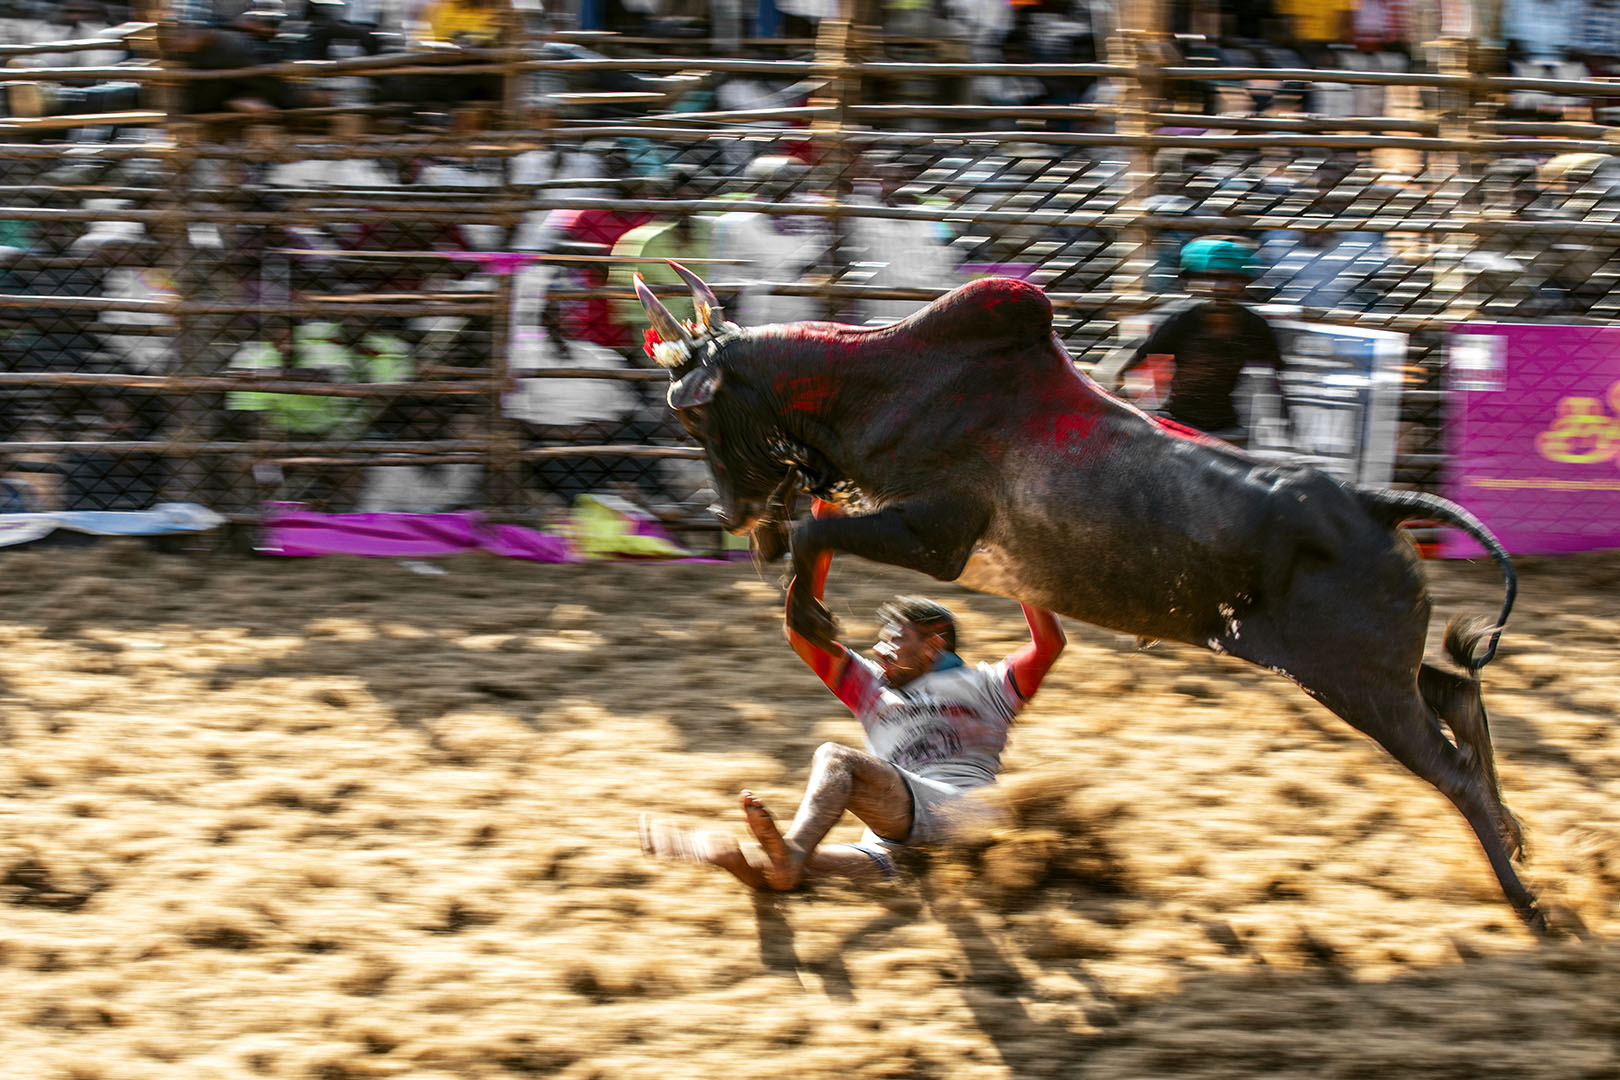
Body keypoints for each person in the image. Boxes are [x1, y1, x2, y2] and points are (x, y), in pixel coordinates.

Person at [642, 499, 1067, 890]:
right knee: (774, 865)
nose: (878, 650)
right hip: (896, 854)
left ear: (934, 645)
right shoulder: (870, 686)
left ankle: (790, 851)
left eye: (893, 641)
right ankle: (737, 856)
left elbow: (1049, 645)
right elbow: (800, 630)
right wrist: (822, 532)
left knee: (835, 758)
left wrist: (1017, 564)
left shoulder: (988, 685)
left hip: (962, 819)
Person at [1094, 235, 1291, 448]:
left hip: (1228, 430)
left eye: (1230, 278)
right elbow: (1114, 371)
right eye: (1209, 277)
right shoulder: (1179, 322)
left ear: (1244, 283)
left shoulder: (1254, 328)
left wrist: (1287, 430)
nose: (1220, 287)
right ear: (1191, 282)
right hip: (1178, 428)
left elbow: (1276, 381)